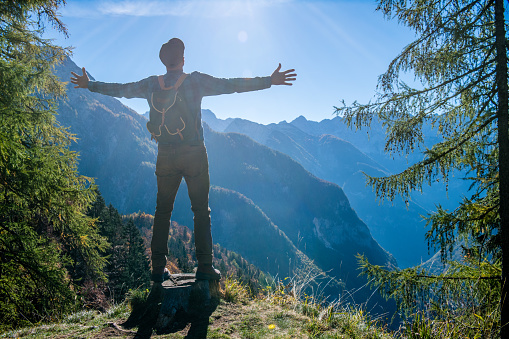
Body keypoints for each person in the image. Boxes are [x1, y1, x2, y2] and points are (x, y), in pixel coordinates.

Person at [71, 38, 297, 283]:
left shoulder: (150, 84)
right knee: (201, 211)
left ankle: (157, 269)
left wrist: (89, 85)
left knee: (162, 211)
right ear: (183, 59)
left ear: (163, 62)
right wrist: (268, 81)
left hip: (165, 154)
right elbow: (231, 85)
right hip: (194, 154)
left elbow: (120, 90)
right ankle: (205, 267)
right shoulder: (195, 81)